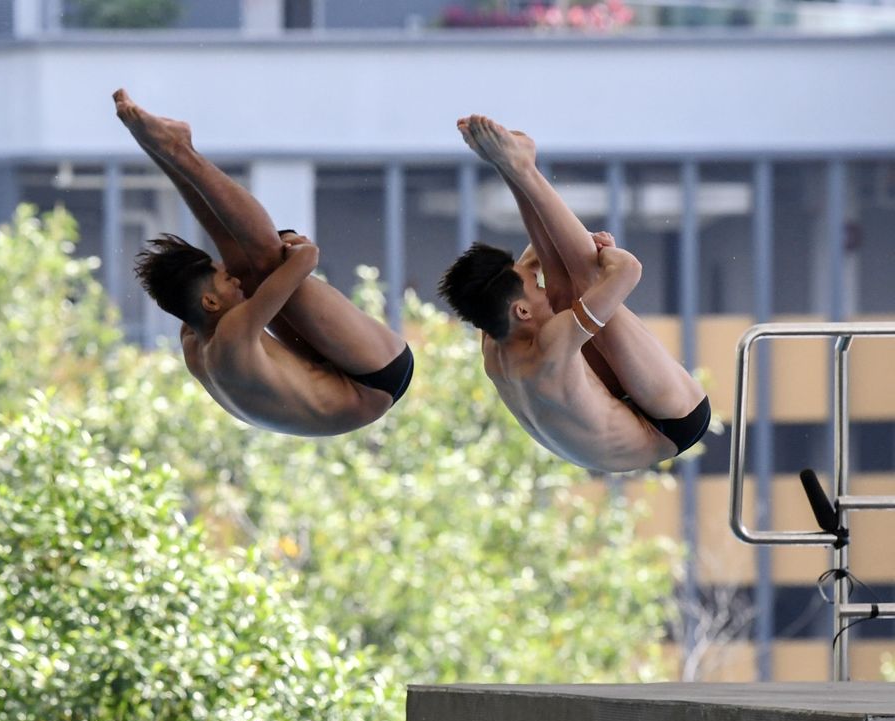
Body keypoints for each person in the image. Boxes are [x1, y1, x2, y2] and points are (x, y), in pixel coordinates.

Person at [113, 89, 412, 436]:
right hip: (375, 379)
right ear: (209, 301)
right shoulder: (231, 334)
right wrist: (295, 246)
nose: (234, 281)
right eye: (224, 282)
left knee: (247, 266)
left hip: (331, 377)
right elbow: (306, 259)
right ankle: (177, 150)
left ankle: (169, 152)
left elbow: (240, 267)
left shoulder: (195, 339)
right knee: (267, 260)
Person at [439, 115, 709, 472]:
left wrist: (513, 175)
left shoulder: (495, 335)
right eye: (532, 286)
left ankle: (517, 167)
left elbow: (535, 259)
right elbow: (627, 270)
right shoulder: (550, 345)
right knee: (581, 282)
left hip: (607, 417)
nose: (539, 284)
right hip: (671, 424)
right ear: (520, 311)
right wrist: (606, 251)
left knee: (563, 287)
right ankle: (522, 168)